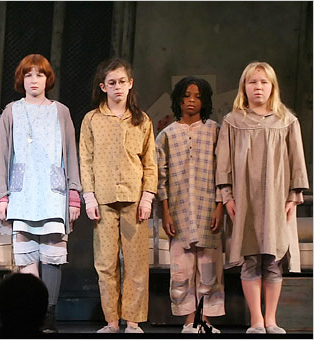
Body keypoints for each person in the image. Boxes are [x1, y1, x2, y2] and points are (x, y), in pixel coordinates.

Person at [215, 61, 309, 334]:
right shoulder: (233, 121)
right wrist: (227, 196)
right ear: (244, 87)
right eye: (253, 82)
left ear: (272, 87)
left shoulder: (287, 121)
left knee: (273, 259)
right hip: (246, 200)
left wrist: (293, 196)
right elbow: (223, 164)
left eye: (264, 82)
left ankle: (271, 319)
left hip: (278, 200)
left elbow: (297, 161)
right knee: (251, 258)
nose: (258, 87)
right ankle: (256, 320)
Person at [0, 54, 82, 333]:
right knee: (27, 252)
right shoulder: (11, 111)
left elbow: (70, 153)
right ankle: (29, 315)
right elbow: (1, 155)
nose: (34, 80)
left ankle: (49, 316)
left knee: (53, 251)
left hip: (53, 192)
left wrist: (74, 194)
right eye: (28, 75)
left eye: (39, 75)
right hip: (23, 191)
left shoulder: (60, 111)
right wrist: (0, 196)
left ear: (47, 79)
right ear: (22, 79)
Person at [78, 58, 157, 333]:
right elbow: (85, 160)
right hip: (104, 200)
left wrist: (147, 197)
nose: (118, 87)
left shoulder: (142, 120)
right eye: (112, 83)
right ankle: (112, 321)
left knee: (135, 264)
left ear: (130, 84)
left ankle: (132, 321)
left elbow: (150, 162)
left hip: (134, 201)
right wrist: (89, 197)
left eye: (122, 82)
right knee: (105, 264)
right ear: (103, 87)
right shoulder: (92, 120)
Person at [156, 77, 225, 333]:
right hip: (179, 210)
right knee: (182, 270)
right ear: (179, 100)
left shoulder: (216, 131)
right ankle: (189, 320)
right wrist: (165, 211)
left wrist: (220, 204)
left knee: (209, 269)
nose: (192, 101)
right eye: (187, 96)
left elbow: (223, 171)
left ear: (205, 101)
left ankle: (205, 320)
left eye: (197, 96)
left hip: (209, 210)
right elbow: (160, 177)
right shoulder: (167, 135)